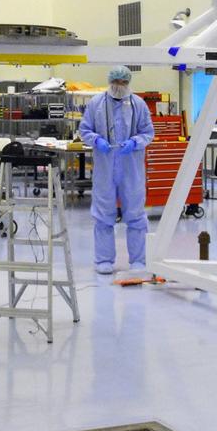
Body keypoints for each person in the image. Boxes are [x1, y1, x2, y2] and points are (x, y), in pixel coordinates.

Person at [79, 66, 154, 275]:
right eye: (116, 82)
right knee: (103, 214)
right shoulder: (96, 103)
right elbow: (84, 129)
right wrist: (96, 140)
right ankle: (104, 260)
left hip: (131, 166)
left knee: (136, 214)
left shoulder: (139, 104)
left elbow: (148, 132)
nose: (119, 86)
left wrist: (135, 142)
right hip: (105, 165)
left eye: (123, 82)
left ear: (128, 83)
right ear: (110, 81)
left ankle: (138, 260)